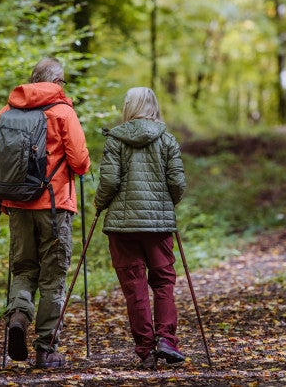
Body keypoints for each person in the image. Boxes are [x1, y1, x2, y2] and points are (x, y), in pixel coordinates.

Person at [0, 57, 90, 368]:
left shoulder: (6, 113)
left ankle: (18, 315)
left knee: (23, 269)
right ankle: (46, 348)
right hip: (54, 208)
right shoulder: (62, 112)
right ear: (57, 82)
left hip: (17, 206)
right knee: (53, 278)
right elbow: (80, 162)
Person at [93, 87, 187, 370]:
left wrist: (99, 204)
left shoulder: (116, 139)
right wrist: (167, 204)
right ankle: (166, 339)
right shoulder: (167, 139)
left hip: (123, 227)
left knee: (134, 286)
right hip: (158, 225)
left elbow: (109, 182)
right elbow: (177, 183)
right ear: (153, 105)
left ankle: (146, 350)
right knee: (163, 281)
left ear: (128, 107)